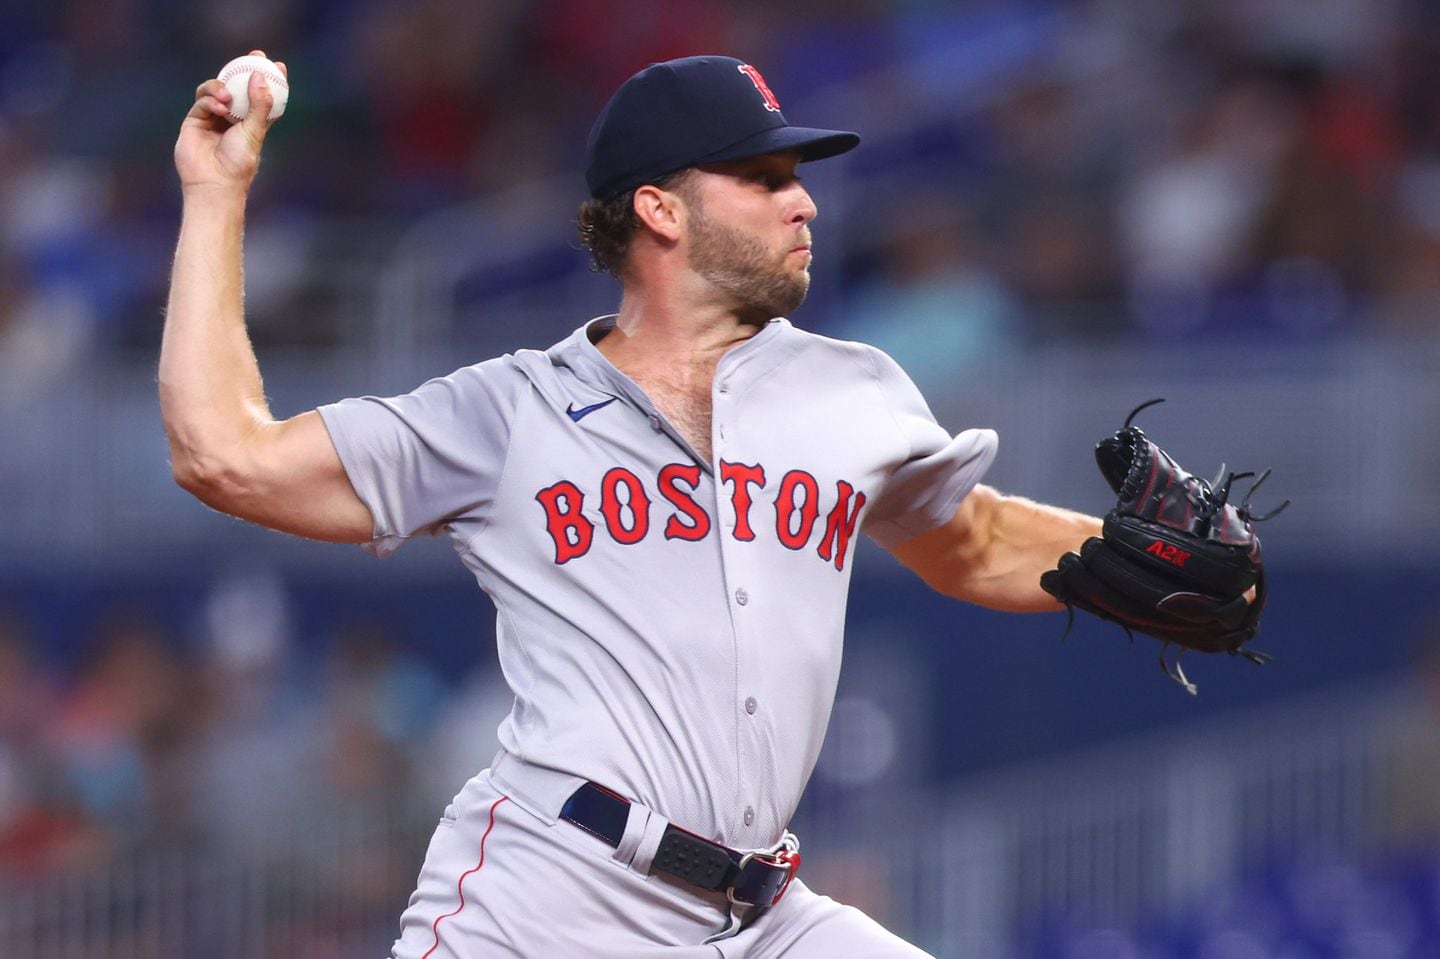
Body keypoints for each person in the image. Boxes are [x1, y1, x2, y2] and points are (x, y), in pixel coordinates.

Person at [163, 51, 1101, 958]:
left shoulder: (852, 390)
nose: (804, 199)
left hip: (764, 911)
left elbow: (972, 542)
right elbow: (226, 456)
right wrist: (215, 193)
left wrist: (1149, 562)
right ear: (660, 208)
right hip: (553, 897)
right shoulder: (506, 413)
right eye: (765, 177)